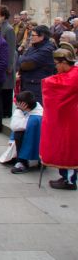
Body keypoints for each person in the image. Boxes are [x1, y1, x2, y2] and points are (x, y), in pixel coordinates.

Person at [40, 48, 78, 190]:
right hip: (66, 118)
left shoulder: (73, 76)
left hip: (70, 119)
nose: (55, 66)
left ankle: (70, 180)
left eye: (57, 63)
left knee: (68, 149)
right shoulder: (70, 73)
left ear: (64, 63)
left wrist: (47, 81)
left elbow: (58, 85)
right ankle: (65, 176)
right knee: (62, 147)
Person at [17, 25, 56, 103]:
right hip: (28, 83)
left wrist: (22, 60)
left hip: (37, 86)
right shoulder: (34, 47)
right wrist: (22, 60)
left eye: (33, 35)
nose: (31, 37)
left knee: (36, 111)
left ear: (41, 37)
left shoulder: (47, 50)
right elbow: (20, 59)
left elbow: (26, 63)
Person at [6, 90, 43, 174]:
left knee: (18, 134)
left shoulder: (36, 117)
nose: (16, 105)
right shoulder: (31, 109)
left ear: (24, 104)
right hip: (30, 139)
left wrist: (19, 111)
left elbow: (15, 126)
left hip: (34, 143)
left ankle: (23, 162)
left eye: (18, 103)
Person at [0, 5, 16, 119]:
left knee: (6, 88)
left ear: (3, 16)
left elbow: (11, 48)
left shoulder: (9, 29)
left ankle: (6, 112)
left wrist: (9, 65)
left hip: (6, 63)